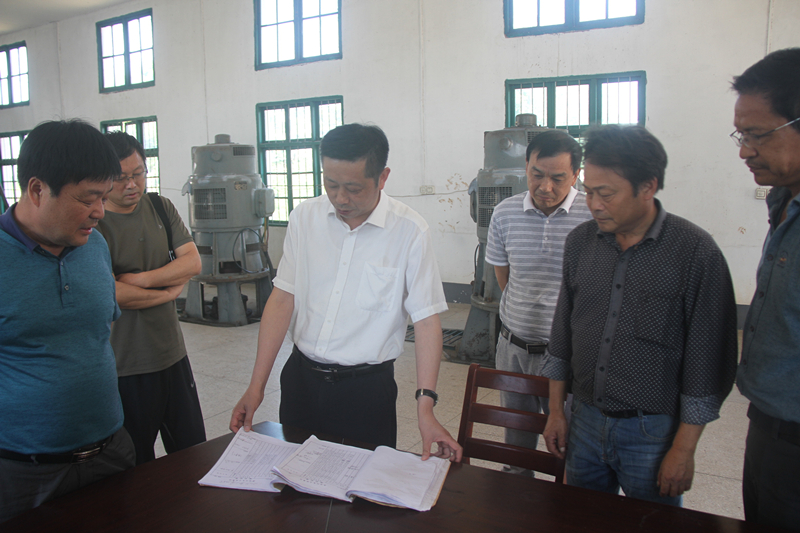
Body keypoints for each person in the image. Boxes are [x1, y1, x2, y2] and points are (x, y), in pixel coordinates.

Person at [230, 123, 462, 461]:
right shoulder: (305, 218)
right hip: (301, 382)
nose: (341, 198)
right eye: (331, 184)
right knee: (293, 478)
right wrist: (256, 387)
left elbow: (426, 321)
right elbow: (282, 299)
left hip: (366, 392)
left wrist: (425, 408)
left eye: (353, 188)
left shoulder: (409, 231)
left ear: (382, 177)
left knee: (362, 486)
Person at [541, 125, 738, 506]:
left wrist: (683, 450)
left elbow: (707, 362)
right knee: (582, 519)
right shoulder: (580, 243)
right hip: (584, 419)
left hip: (652, 431)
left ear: (648, 187)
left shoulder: (695, 253)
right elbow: (563, 334)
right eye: (589, 191)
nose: (594, 204)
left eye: (606, 194)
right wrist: (556, 412)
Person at [0, 120, 135, 522]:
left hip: (111, 453)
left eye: (104, 197)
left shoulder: (95, 244)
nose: (100, 211)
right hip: (24, 473)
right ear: (37, 190)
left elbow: (99, 331)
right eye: (88, 198)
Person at [485, 130, 591, 475]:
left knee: (570, 445)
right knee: (517, 444)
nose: (545, 187)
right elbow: (505, 278)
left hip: (569, 355)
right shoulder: (505, 213)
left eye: (557, 178)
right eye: (536, 174)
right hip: (513, 349)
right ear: (526, 167)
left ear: (576, 174)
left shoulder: (593, 216)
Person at [97, 132, 206, 465]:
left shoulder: (160, 206)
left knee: (192, 454)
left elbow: (193, 263)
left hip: (172, 355)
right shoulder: (94, 224)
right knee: (136, 464)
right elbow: (112, 293)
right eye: (120, 177)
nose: (132, 184)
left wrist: (140, 280)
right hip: (125, 365)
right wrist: (169, 290)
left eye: (139, 173)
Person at [732, 48, 800, 531]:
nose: (745, 150)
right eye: (741, 135)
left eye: (757, 135)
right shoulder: (784, 201)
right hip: (769, 422)